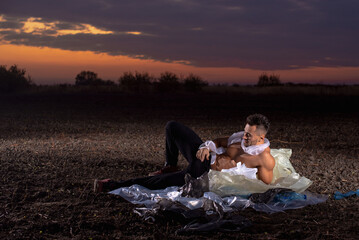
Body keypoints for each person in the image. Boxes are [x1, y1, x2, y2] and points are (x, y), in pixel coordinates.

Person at [94, 114, 275, 193]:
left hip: (203, 173)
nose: (244, 136)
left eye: (248, 135)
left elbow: (264, 184)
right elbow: (219, 142)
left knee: (161, 183)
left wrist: (238, 176)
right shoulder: (239, 137)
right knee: (172, 127)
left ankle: (113, 185)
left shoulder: (264, 158)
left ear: (261, 137)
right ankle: (170, 165)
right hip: (202, 156)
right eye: (244, 132)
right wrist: (206, 145)